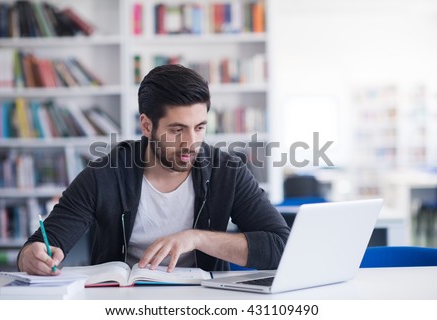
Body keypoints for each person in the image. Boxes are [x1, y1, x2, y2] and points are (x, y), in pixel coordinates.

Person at [17, 64, 290, 276]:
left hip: (205, 304)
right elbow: (41, 243)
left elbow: (280, 246)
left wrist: (196, 239)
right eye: (177, 130)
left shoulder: (227, 172)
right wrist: (32, 255)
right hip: (121, 304)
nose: (191, 143)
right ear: (147, 126)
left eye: (199, 127)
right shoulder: (105, 174)